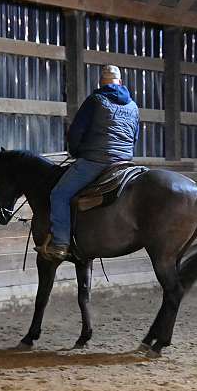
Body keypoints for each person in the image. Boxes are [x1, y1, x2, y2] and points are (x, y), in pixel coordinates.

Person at [35, 65, 139, 261]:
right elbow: (135, 138)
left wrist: (76, 151)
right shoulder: (133, 106)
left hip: (97, 161)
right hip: (125, 163)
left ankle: (60, 244)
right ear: (121, 83)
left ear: (101, 83)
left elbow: (76, 132)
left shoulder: (95, 100)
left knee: (59, 194)